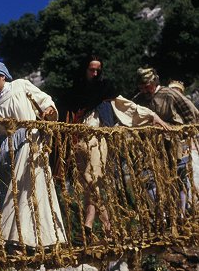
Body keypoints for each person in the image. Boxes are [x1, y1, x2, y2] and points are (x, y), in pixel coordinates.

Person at [68, 56, 170, 242]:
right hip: (78, 139)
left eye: (98, 70)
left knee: (93, 179)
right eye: (92, 69)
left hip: (97, 138)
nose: (95, 73)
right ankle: (98, 229)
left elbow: (126, 106)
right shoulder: (76, 90)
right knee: (89, 185)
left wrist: (152, 116)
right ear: (85, 69)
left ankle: (97, 227)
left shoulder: (105, 88)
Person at [0, 61, 66, 253]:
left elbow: (44, 100)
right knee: (8, 190)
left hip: (30, 138)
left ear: (3, 76)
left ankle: (39, 238)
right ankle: (13, 239)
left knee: (32, 186)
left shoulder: (21, 86)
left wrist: (49, 110)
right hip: (8, 148)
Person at [133, 67, 199, 215]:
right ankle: (163, 214)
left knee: (178, 178)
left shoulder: (169, 94)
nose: (144, 90)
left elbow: (189, 111)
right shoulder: (138, 100)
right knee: (149, 179)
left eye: (147, 86)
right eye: (141, 87)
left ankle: (180, 214)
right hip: (150, 146)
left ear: (154, 82)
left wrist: (186, 134)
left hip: (175, 144)